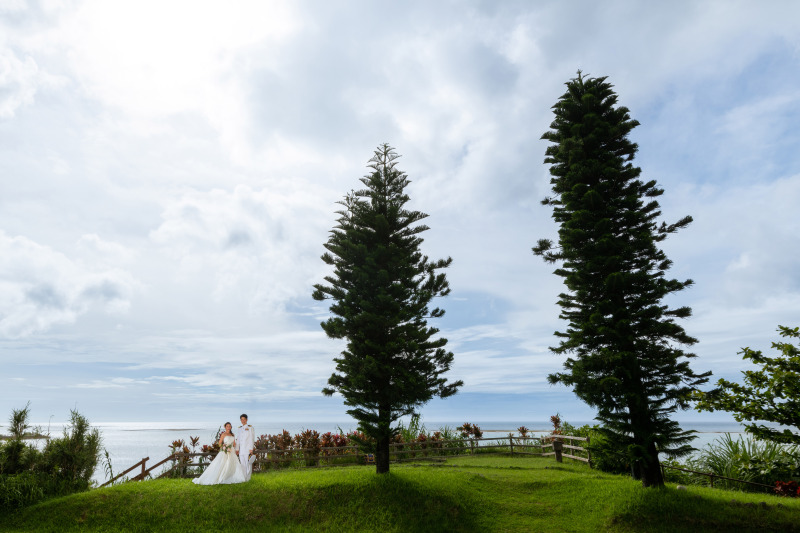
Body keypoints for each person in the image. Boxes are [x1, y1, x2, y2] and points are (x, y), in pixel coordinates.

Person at [236, 414, 255, 481]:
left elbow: (251, 438)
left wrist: (251, 449)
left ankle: (248, 478)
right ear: (240, 420)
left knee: (248, 464)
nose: (243, 421)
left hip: (247, 449)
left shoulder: (250, 428)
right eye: (241, 419)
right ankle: (244, 478)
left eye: (244, 419)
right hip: (241, 450)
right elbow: (238, 440)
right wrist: (237, 449)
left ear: (246, 420)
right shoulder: (239, 428)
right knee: (243, 465)